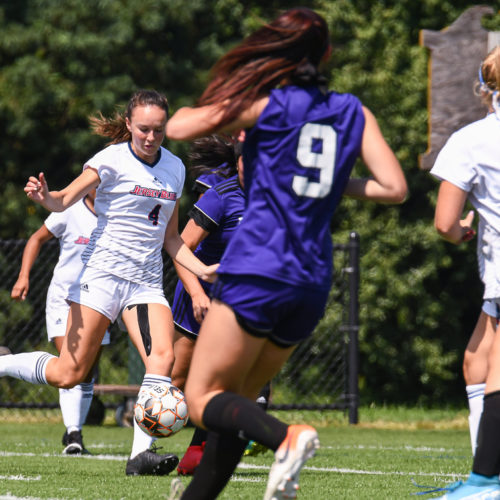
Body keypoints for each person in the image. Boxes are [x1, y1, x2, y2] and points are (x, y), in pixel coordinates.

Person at [165, 8, 407, 499]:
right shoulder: (354, 112)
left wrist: (237, 86)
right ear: (327, 55)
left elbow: (177, 127)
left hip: (257, 267)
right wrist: (331, 186)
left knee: (200, 398)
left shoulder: (270, 104)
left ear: (277, 52)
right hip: (312, 280)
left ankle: (288, 437)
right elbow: (394, 188)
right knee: (236, 402)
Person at [0, 89, 218, 477]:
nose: (151, 138)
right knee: (71, 373)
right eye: (144, 130)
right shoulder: (110, 159)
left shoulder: (175, 168)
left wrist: (200, 271)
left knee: (162, 360)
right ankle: (4, 363)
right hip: (101, 277)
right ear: (130, 126)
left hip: (145, 284)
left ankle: (139, 456)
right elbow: (65, 197)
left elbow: (171, 238)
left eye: (159, 131)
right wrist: (46, 197)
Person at [171, 136, 270, 475]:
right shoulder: (219, 198)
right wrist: (198, 294)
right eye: (248, 162)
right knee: (176, 382)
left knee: (222, 383)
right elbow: (180, 250)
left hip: (237, 305)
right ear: (238, 163)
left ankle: (198, 453)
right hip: (197, 298)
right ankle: (144, 448)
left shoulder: (274, 199)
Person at [427, 47, 500, 499]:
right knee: (476, 361)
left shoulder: (473, 139)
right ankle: (484, 469)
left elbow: (444, 224)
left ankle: (487, 479)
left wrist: (462, 232)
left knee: (495, 370)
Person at [11, 188, 109, 454]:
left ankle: (74, 433)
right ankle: (74, 433)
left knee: (86, 372)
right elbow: (36, 239)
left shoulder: (115, 216)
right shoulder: (71, 210)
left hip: (98, 303)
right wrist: (24, 276)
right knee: (70, 362)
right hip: (64, 301)